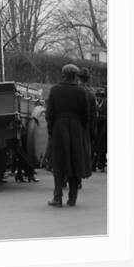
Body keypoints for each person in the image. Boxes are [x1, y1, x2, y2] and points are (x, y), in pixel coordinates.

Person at [45, 64, 91, 207]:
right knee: (75, 161)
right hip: (77, 129)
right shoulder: (82, 92)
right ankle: (72, 198)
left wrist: (52, 130)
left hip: (59, 128)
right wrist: (80, 129)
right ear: (75, 76)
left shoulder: (55, 90)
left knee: (59, 163)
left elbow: (49, 114)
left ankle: (57, 197)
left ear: (63, 75)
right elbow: (86, 115)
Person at [77, 68, 97, 184]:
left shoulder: (75, 91)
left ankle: (65, 178)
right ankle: (78, 179)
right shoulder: (90, 95)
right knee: (82, 155)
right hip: (85, 129)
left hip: (75, 126)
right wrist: (93, 132)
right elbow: (93, 116)